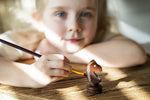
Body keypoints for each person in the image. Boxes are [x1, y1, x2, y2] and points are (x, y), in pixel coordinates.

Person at [0, 0, 147, 88]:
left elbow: (136, 54)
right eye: (60, 14)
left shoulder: (99, 34)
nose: (74, 26)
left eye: (85, 14)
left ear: (99, 20)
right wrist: (28, 76)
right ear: (38, 21)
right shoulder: (25, 39)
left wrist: (64, 54)